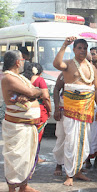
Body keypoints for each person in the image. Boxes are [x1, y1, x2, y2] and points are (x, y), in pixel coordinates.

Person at [53, 36, 97, 186]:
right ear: (74, 50)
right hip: (71, 109)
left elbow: (96, 89)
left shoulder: (91, 67)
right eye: (79, 48)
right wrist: (64, 45)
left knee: (84, 142)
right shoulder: (68, 64)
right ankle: (69, 174)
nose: (82, 50)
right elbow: (56, 64)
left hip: (86, 109)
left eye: (84, 48)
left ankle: (78, 170)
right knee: (71, 142)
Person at [1, 50, 42, 192]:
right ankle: (12, 188)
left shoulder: (18, 77)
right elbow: (34, 92)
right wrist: (33, 93)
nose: (24, 62)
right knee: (15, 159)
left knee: (26, 158)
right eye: (23, 60)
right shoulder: (8, 77)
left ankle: (23, 186)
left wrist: (32, 94)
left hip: (27, 125)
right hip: (16, 126)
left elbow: (37, 91)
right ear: (18, 62)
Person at [24, 63, 52, 163]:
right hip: (39, 110)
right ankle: (35, 157)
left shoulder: (23, 79)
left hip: (25, 109)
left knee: (28, 135)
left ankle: (27, 156)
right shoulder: (40, 80)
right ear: (39, 72)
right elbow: (46, 97)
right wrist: (49, 109)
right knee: (37, 136)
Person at [52, 73, 65, 176]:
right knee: (61, 136)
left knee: (77, 139)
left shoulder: (89, 71)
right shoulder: (65, 72)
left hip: (81, 110)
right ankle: (59, 164)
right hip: (64, 108)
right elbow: (56, 89)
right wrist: (56, 109)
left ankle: (77, 167)